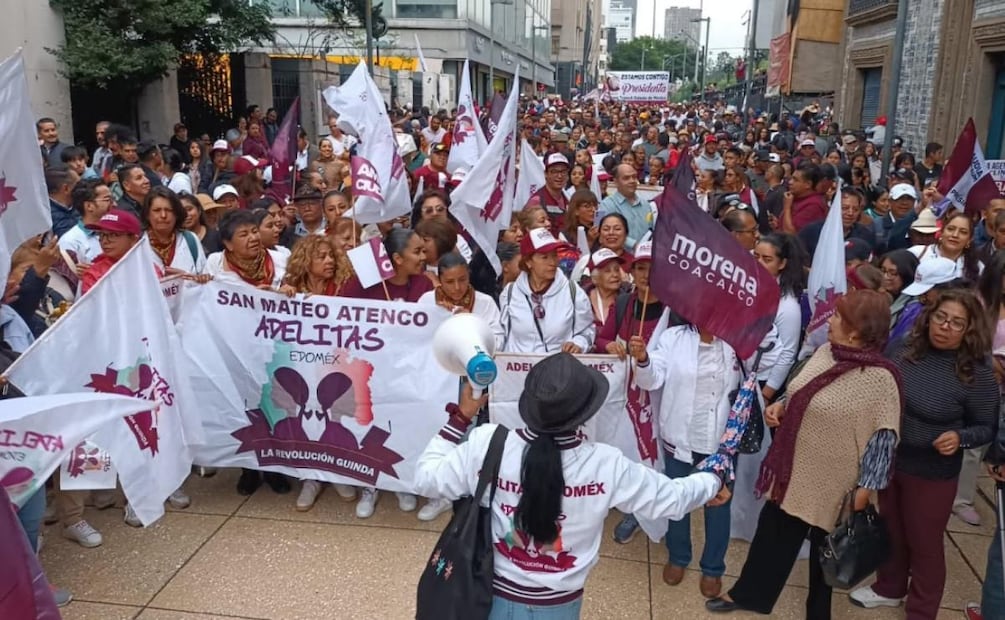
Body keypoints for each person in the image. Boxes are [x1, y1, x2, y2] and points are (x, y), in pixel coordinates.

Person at [413, 353, 727, 619]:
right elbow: (672, 499)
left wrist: (461, 417)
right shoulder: (606, 464)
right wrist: (713, 479)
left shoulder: (489, 443)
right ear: (584, 414)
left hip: (485, 597)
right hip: (559, 606)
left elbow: (427, 478)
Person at [706, 290, 902, 619]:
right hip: (794, 472)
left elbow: (882, 442)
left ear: (857, 330)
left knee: (827, 555)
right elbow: (800, 390)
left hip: (838, 485)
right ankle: (750, 595)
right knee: (771, 537)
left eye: (839, 317)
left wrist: (865, 491)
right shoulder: (826, 352)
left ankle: (818, 613)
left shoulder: (880, 380)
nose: (831, 321)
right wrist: (781, 406)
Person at [851, 289, 998, 617]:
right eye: (941, 317)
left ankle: (921, 609)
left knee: (925, 542)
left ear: (969, 330)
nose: (945, 327)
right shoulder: (903, 348)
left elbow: (986, 427)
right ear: (929, 317)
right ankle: (889, 588)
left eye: (957, 323)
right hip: (891, 458)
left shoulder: (976, 373)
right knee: (891, 528)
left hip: (933, 471)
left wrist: (959, 436)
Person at [282, 235, 359, 511]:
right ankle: (311, 477)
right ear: (305, 261)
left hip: (337, 365)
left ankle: (337, 471)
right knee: (307, 417)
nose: (329, 261)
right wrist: (284, 296)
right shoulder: (290, 287)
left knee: (336, 416)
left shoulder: (343, 286)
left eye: (330, 255)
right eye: (321, 256)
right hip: (302, 364)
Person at [499, 228, 595, 355]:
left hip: (558, 369)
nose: (553, 262)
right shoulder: (510, 293)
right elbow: (502, 334)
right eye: (545, 257)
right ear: (528, 262)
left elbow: (587, 331)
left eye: (554, 256)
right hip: (519, 371)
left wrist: (578, 344)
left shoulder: (573, 292)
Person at [753, 234, 806, 401]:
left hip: (763, 381)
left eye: (767, 259)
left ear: (782, 264)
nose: (759, 263)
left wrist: (766, 394)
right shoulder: (750, 285)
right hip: (741, 373)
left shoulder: (787, 306)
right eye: (756, 256)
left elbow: (787, 353)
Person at [141, 187, 207, 276]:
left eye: (168, 210)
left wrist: (186, 277)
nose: (163, 215)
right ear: (147, 214)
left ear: (177, 214)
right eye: (157, 210)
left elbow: (204, 280)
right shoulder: (137, 244)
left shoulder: (190, 240)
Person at [908, 210, 983, 283]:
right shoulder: (916, 253)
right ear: (941, 232)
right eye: (950, 229)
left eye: (963, 232)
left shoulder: (978, 267)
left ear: (969, 240)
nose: (955, 235)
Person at [80, 210, 142, 294]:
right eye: (101, 235)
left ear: (134, 239)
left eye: (113, 235)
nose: (105, 241)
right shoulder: (94, 274)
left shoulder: (149, 268)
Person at [600, 164, 654, 251]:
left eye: (634, 177)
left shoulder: (646, 205)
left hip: (644, 258)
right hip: (618, 259)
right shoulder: (605, 205)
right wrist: (633, 245)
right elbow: (599, 232)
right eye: (626, 178)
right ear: (616, 181)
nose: (632, 181)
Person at [60, 179, 113, 266]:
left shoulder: (119, 232)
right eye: (107, 200)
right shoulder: (70, 241)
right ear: (89, 206)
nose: (114, 204)